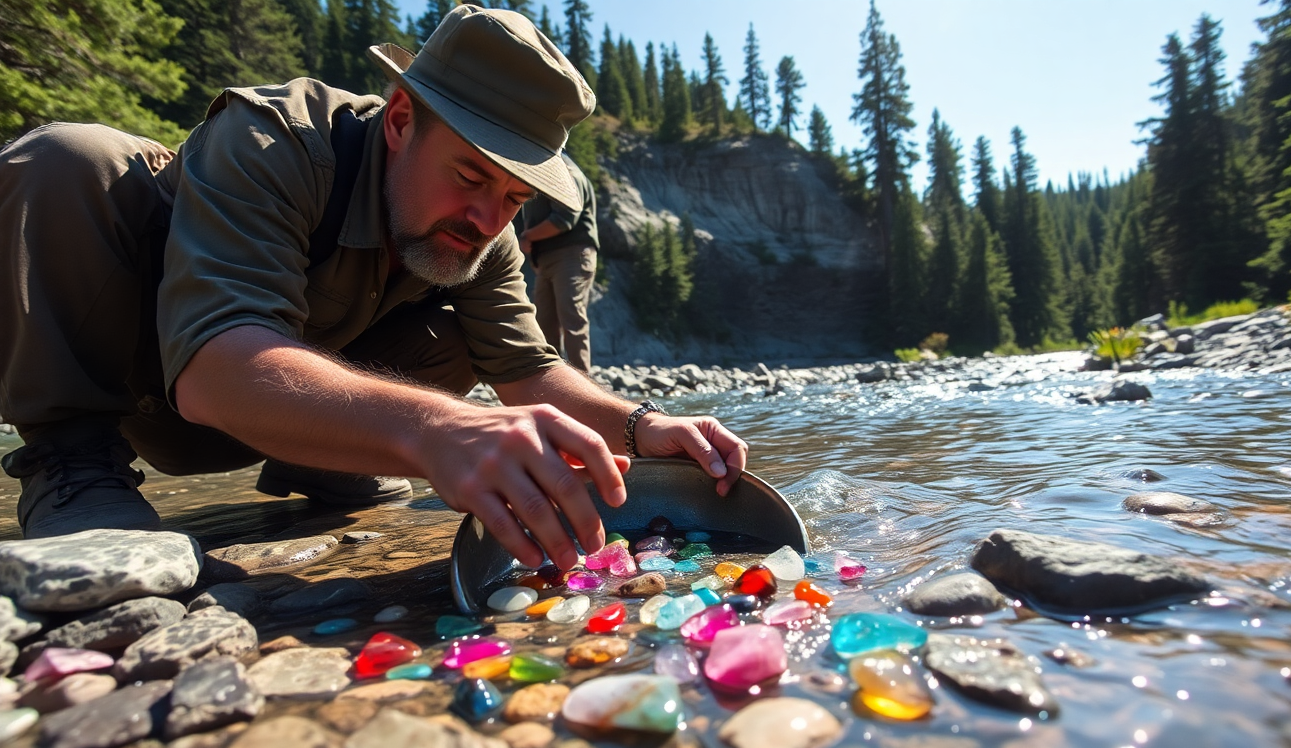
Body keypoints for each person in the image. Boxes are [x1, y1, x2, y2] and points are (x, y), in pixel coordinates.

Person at [0, 5, 747, 572]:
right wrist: (434, 431)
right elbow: (213, 371)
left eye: (516, 197)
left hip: (298, 414)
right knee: (69, 159)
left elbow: (527, 371)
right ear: (399, 120)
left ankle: (326, 461)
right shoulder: (274, 142)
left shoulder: (480, 230)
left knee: (459, 338)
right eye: (470, 176)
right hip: (156, 386)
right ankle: (71, 465)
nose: (490, 216)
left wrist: (638, 426)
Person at [519, 153, 599, 373]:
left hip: (571, 256)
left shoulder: (564, 172)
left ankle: (583, 388)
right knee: (544, 327)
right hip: (547, 260)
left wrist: (528, 237)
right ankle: (554, 383)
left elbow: (564, 219)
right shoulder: (546, 172)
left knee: (571, 320)